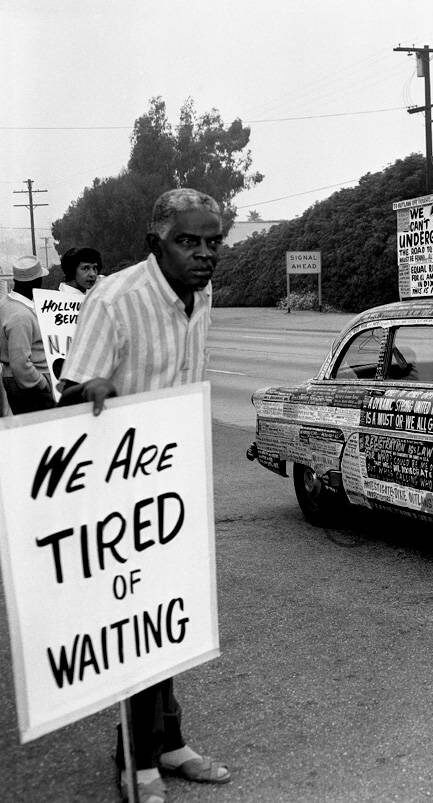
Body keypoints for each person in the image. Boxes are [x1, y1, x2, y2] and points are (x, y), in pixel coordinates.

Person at [60, 188, 229, 803]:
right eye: (189, 242)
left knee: (169, 621)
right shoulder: (116, 299)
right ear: (155, 242)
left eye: (214, 242)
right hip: (118, 493)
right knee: (135, 626)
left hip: (174, 481)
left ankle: (171, 742)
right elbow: (68, 398)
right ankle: (135, 763)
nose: (205, 254)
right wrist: (90, 389)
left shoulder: (201, 292)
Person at [0, 255, 55, 413]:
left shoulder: (6, 304)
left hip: (19, 380)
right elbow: (20, 363)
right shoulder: (21, 316)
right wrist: (42, 383)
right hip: (29, 383)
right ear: (36, 282)